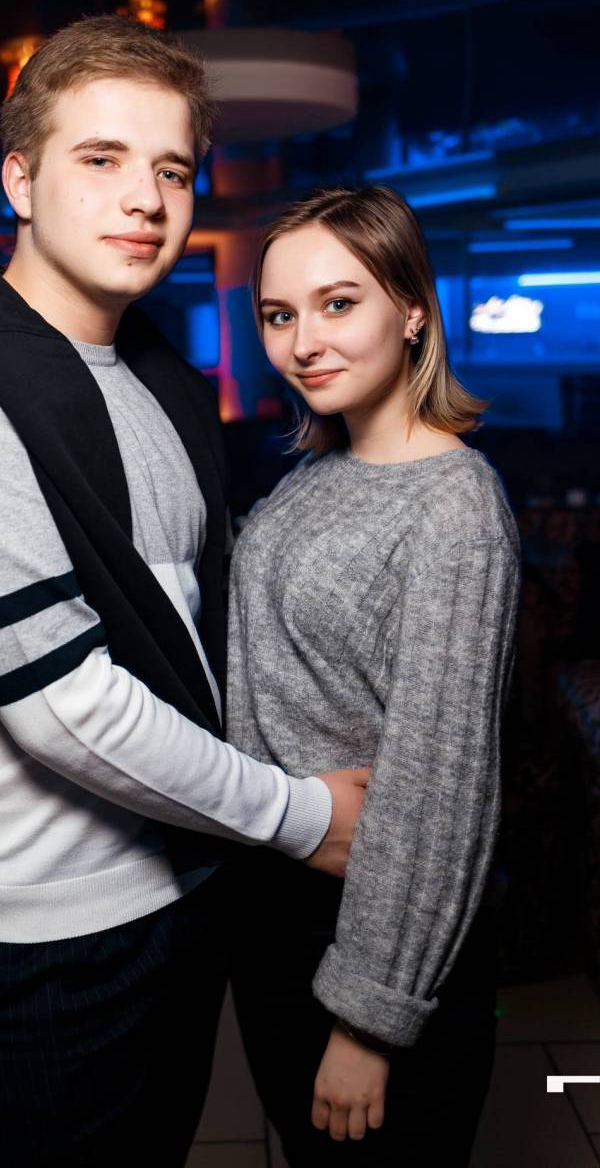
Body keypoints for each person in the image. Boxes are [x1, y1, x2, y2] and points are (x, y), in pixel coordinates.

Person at [0, 19, 371, 1168]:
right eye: (100, 159)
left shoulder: (155, 378)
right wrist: (302, 818)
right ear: (18, 179)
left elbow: (190, 620)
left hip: (179, 878)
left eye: (172, 170)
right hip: (52, 936)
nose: (145, 200)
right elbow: (65, 707)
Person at [226, 185, 521, 1167]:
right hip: (280, 898)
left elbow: (440, 786)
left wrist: (370, 1020)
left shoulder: (454, 505)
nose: (303, 341)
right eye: (279, 315)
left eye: (338, 303)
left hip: (374, 926)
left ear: (413, 311)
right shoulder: (316, 470)